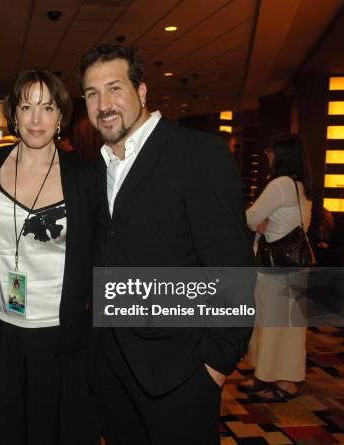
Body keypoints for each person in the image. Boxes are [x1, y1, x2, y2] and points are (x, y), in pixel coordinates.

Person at [78, 43, 255, 445]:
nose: (103, 104)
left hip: (182, 373)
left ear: (141, 92)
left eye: (114, 88)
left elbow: (233, 269)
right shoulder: (97, 169)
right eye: (92, 93)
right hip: (111, 368)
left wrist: (216, 363)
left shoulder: (198, 155)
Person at [0, 69, 99, 445]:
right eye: (27, 106)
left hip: (61, 333)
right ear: (14, 113)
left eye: (47, 107)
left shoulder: (84, 176)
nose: (36, 119)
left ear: (61, 116)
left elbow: (104, 252)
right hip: (3, 326)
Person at [239, 133, 313, 402]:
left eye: (271, 151)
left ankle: (279, 379)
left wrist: (258, 220)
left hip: (275, 268)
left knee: (271, 323)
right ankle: (273, 375)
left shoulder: (280, 184)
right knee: (288, 325)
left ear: (282, 156)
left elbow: (250, 217)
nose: (268, 156)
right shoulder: (300, 184)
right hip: (293, 265)